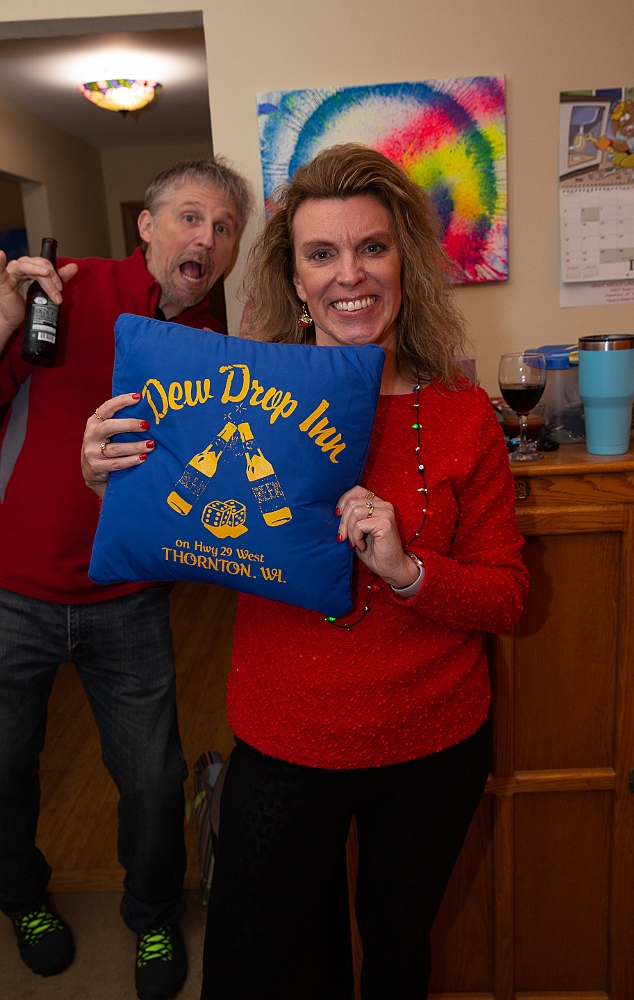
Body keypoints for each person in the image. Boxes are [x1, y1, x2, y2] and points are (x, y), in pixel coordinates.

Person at [83, 144, 528, 1000]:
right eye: (321, 254)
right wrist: (108, 478)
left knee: (395, 955)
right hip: (286, 741)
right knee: (257, 969)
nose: (348, 275)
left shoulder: (463, 414)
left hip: (431, 746)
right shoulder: (235, 394)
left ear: (404, 262)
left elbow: (507, 596)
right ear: (295, 280)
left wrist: (408, 571)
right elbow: (175, 514)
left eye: (372, 247)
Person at [0, 157, 250, 1000]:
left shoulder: (214, 346)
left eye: (223, 228)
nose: (205, 238)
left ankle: (152, 915)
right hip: (14, 590)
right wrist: (3, 319)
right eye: (190, 217)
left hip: (129, 600)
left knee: (152, 780)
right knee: (5, 768)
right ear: (147, 226)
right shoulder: (64, 290)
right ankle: (22, 899)